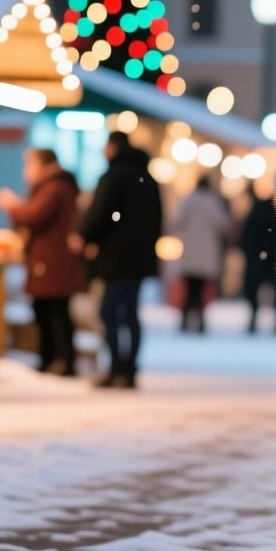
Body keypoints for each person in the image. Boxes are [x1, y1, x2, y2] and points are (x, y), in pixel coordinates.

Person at [79, 132, 163, 389]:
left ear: (113, 147)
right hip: (139, 257)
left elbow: (102, 213)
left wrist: (85, 236)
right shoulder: (148, 178)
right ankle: (129, 368)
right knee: (130, 313)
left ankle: (117, 366)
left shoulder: (113, 176)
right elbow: (158, 219)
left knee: (109, 311)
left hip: (116, 256)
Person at [0, 149, 84, 376]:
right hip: (51, 259)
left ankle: (60, 360)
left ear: (42, 164)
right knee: (49, 310)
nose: (26, 171)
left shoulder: (53, 187)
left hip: (52, 260)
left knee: (53, 311)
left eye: (29, 165)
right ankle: (55, 360)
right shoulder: (57, 185)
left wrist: (13, 206)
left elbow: (34, 216)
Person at [173, 176, 231, 334]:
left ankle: (185, 320)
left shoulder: (188, 201)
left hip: (190, 252)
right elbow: (224, 225)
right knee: (201, 290)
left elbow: (176, 223)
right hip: (207, 253)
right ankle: (201, 321)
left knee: (190, 289)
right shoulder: (212, 203)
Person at [238, 180, 276, 334]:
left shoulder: (258, 210)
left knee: (253, 289)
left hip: (258, 258)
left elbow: (247, 234)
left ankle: (253, 318)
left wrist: (248, 251)